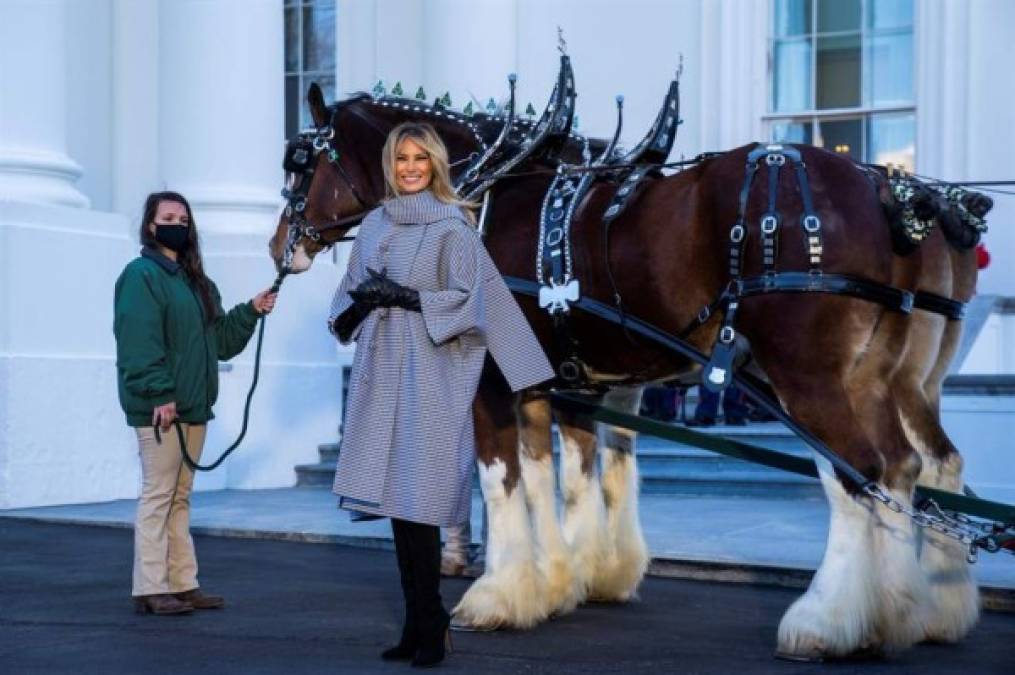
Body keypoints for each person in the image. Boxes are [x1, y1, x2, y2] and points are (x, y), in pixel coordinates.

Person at [327, 122, 554, 667]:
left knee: (421, 504)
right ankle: (417, 624)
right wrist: (358, 307)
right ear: (390, 163)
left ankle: (433, 626)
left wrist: (405, 296)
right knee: (398, 510)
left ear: (434, 165)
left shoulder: (454, 226)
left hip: (432, 371)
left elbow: (475, 301)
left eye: (419, 159)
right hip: (381, 371)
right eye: (401, 158)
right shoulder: (375, 223)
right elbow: (348, 299)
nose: (409, 167)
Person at [113, 191, 277, 616]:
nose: (178, 225)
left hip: (194, 406)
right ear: (151, 226)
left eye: (184, 219)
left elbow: (218, 342)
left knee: (180, 496)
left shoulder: (197, 282)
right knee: (159, 494)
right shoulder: (141, 276)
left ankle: (182, 582)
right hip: (161, 408)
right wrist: (159, 394)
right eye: (168, 217)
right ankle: (150, 587)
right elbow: (138, 341)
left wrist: (251, 311)